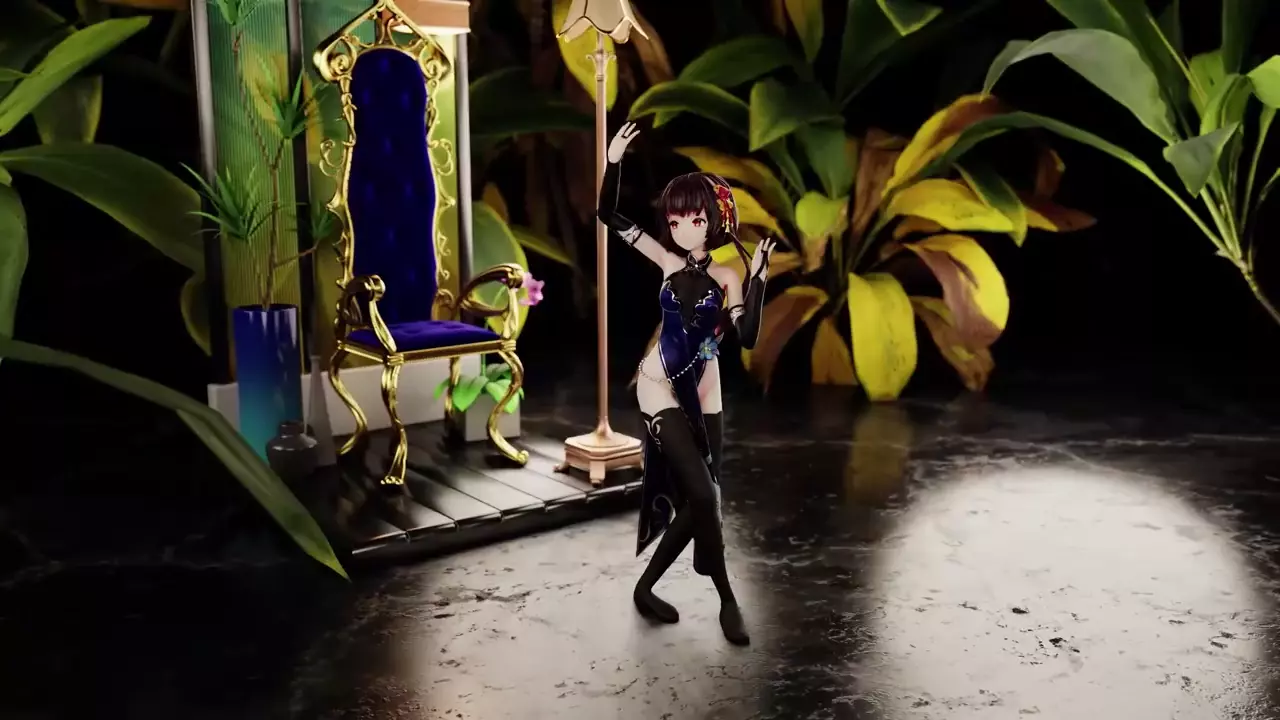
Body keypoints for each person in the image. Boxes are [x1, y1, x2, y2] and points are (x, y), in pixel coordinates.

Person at [597, 121, 773, 646]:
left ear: (714, 221)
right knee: (702, 494)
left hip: (706, 387)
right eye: (674, 220)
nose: (682, 228)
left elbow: (746, 338)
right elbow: (608, 215)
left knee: (706, 499)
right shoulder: (667, 261)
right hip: (659, 384)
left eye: (694, 219)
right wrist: (613, 161)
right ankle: (727, 598)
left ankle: (647, 588)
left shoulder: (728, 278)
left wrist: (759, 282)